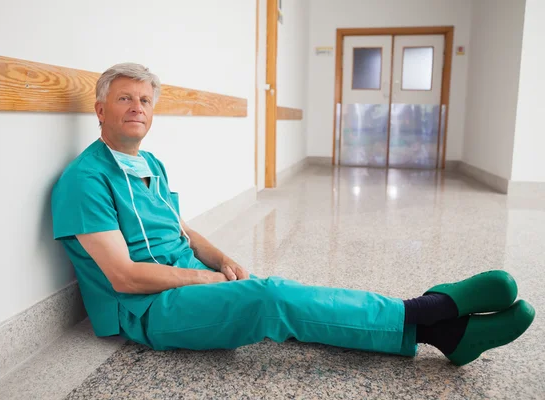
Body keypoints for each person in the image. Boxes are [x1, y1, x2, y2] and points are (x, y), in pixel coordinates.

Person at [51, 63, 535, 367]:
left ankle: (442, 331)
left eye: (145, 100)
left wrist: (222, 259)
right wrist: (206, 283)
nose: (138, 108)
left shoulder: (148, 162)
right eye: (125, 99)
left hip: (190, 277)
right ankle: (428, 312)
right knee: (272, 300)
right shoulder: (85, 179)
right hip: (149, 310)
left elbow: (181, 229)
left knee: (285, 299)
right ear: (99, 109)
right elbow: (123, 277)